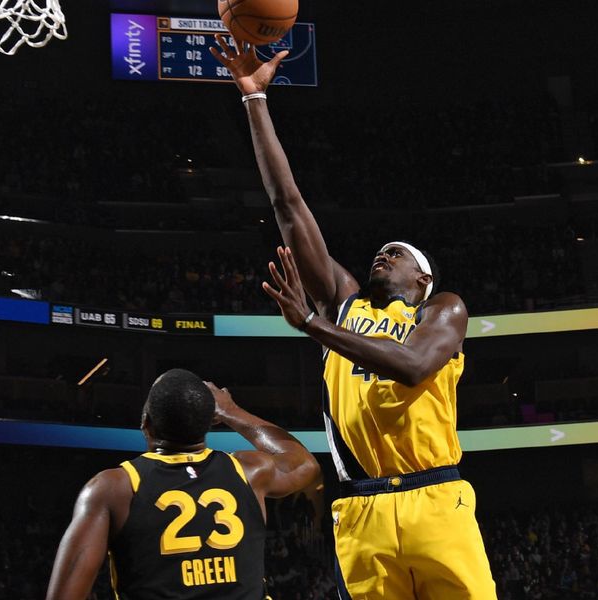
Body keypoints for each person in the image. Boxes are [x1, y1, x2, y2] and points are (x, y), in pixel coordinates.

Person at [211, 36, 497, 599]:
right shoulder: (346, 304)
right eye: (380, 252)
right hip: (361, 505)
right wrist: (254, 102)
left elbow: (414, 367)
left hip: (435, 497)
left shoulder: (444, 310)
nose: (383, 255)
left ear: (424, 280)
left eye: (400, 254)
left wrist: (314, 327)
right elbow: (288, 204)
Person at [46, 368, 320, 600]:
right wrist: (230, 410)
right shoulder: (249, 471)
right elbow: (302, 463)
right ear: (207, 424)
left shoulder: (113, 487)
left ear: (146, 423)